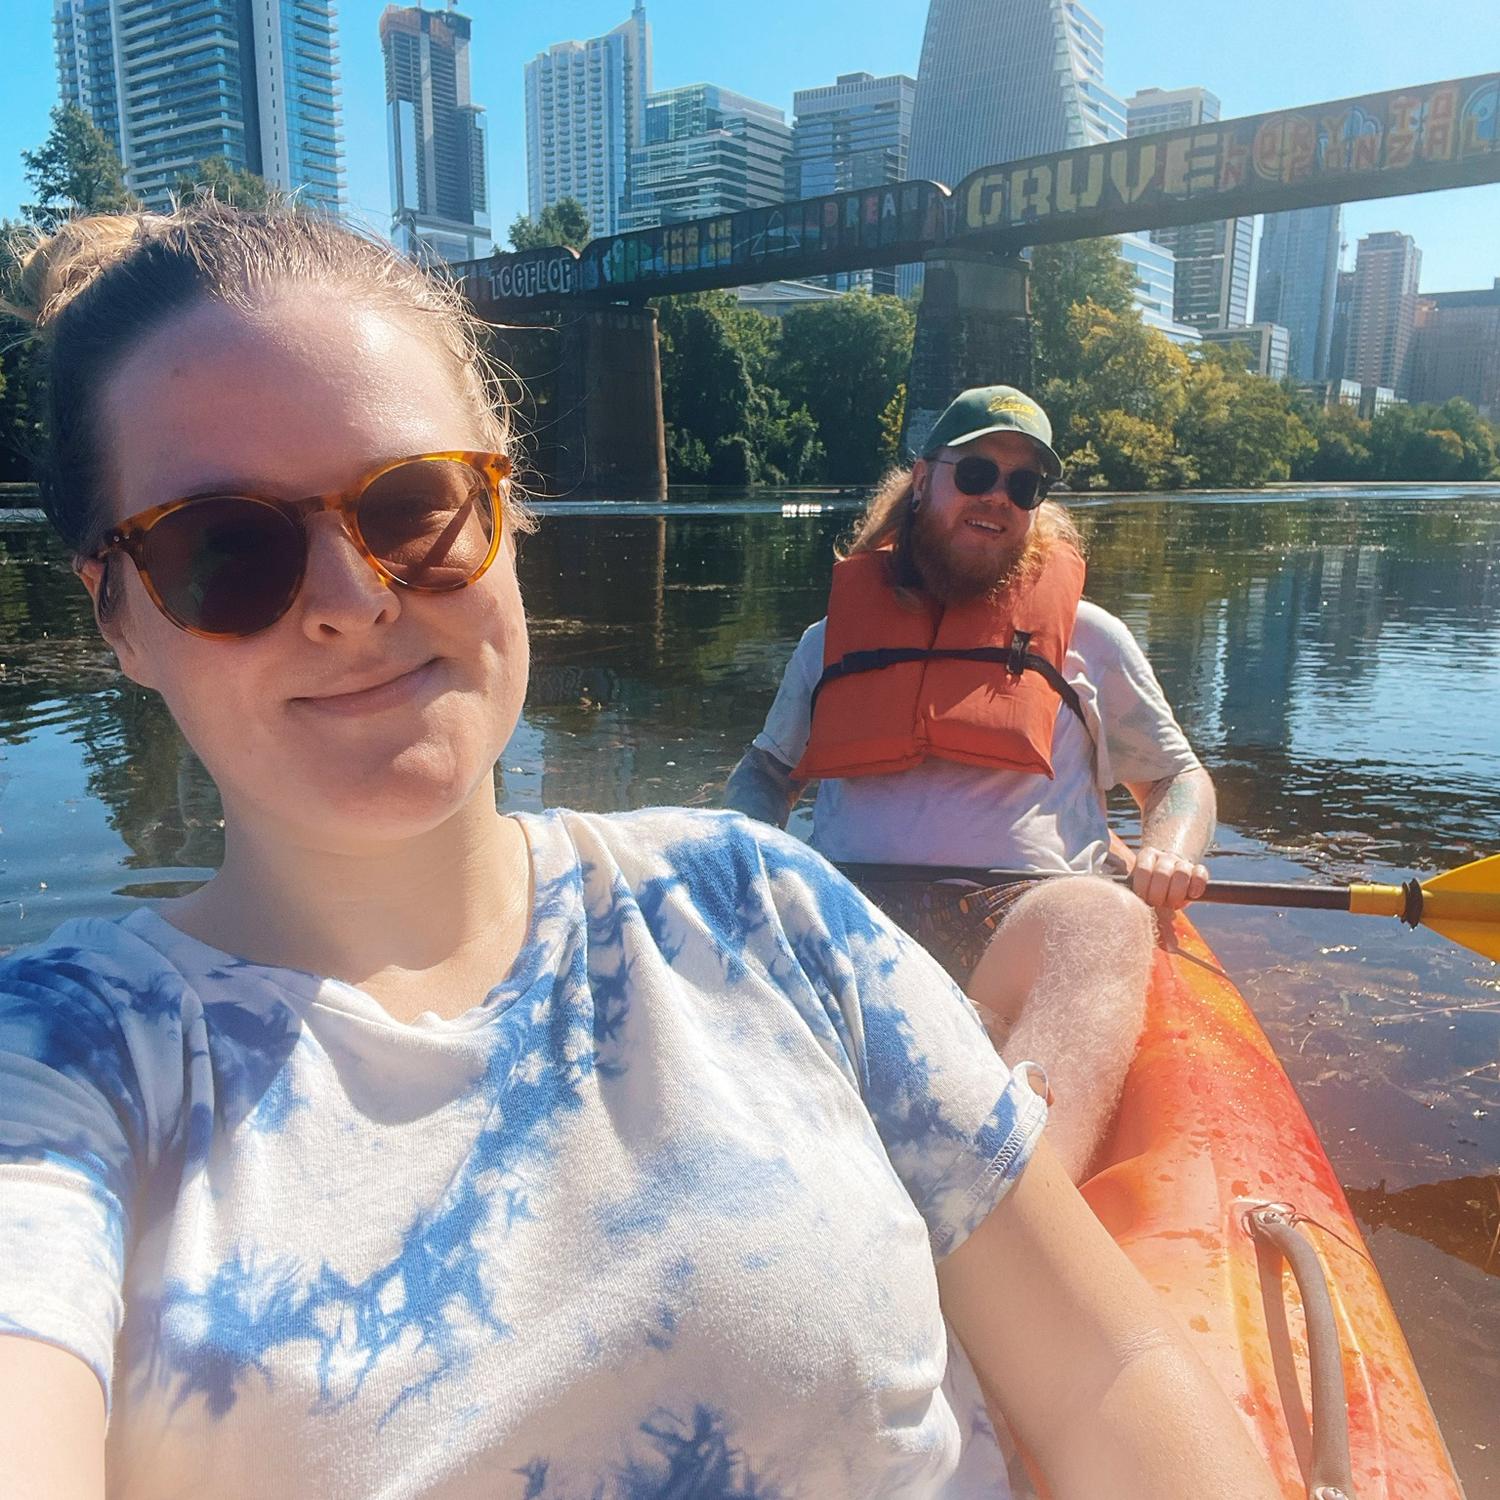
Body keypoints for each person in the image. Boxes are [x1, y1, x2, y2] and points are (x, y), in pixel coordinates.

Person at [0, 205, 1275, 1500]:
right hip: (897, 894)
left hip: (972, 905)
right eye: (224, 552)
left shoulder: (755, 900)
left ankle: (953, 1213)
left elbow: (1109, 1374)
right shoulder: (56, 1081)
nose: (354, 599)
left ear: (504, 506)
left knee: (1096, 924)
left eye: (415, 507)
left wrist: (1163, 848)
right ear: (115, 617)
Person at [725, 386, 1217, 1178]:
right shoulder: (829, 642)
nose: (998, 498)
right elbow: (767, 770)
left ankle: (1020, 1218)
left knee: (1101, 920)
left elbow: (1178, 779)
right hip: (851, 913)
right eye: (978, 472)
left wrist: (1168, 851)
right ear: (924, 478)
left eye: (1024, 488)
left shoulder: (1091, 637)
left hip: (1015, 911)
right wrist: (744, 849)